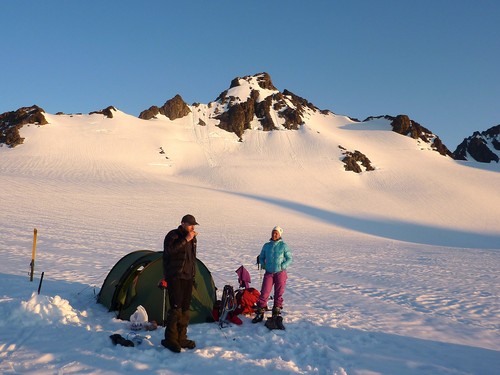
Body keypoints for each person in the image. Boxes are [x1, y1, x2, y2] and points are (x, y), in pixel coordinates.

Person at [160, 214, 199, 353]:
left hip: (188, 277)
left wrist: (193, 275)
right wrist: (186, 239)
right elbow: (169, 251)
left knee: (185, 309)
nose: (192, 227)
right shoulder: (173, 235)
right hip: (175, 276)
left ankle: (181, 337)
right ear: (182, 223)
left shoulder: (193, 239)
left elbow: (192, 258)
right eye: (190, 224)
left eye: (193, 225)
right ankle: (170, 338)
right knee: (175, 308)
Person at [252, 225, 293, 323]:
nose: (274, 234)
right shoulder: (267, 245)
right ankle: (260, 312)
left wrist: (283, 266)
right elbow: (261, 257)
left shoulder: (283, 246)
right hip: (269, 273)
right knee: (264, 292)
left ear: (279, 235)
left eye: (276, 233)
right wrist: (264, 265)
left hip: (280, 273)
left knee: (278, 293)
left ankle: (276, 312)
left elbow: (289, 258)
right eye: (273, 233)